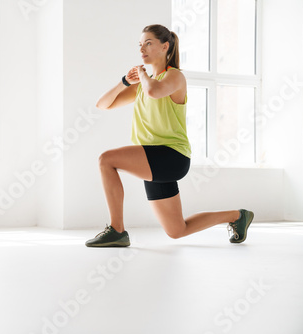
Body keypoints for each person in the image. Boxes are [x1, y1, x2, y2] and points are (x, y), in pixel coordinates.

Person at [85, 24, 254, 247]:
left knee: (106, 160)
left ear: (165, 46)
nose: (142, 49)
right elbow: (102, 104)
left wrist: (144, 74)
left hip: (171, 156)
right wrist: (124, 82)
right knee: (177, 230)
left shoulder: (175, 78)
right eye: (140, 45)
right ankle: (238, 216)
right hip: (153, 159)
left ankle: (117, 230)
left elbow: (154, 91)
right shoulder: (141, 85)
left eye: (148, 43)